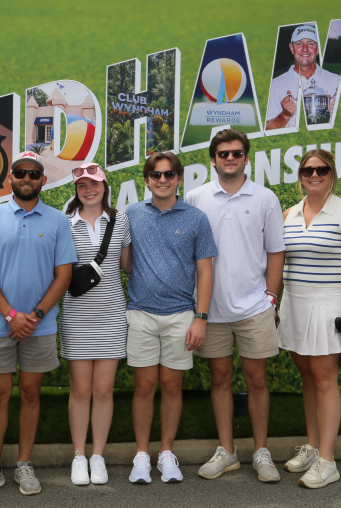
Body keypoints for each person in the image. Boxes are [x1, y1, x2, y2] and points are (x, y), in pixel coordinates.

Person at [0, 151, 77, 500]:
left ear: (43, 180)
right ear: (10, 178)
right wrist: (11, 316)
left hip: (39, 327)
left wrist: (36, 316)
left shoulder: (58, 220)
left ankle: (24, 464)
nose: (27, 179)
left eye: (33, 174)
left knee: (30, 393)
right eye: (20, 173)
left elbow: (64, 275)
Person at [185, 129, 286, 483]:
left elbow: (276, 252)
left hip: (255, 308)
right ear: (212, 159)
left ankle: (261, 452)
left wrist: (271, 298)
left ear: (246, 158)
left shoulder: (265, 198)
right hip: (210, 311)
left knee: (257, 380)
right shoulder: (196, 197)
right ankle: (227, 451)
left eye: (237, 153)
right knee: (220, 379)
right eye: (224, 153)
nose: (230, 158)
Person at [125, 151, 218, 485]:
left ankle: (166, 453)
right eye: (155, 174)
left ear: (179, 178)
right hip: (141, 313)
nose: (162, 180)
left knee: (171, 386)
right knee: (144, 386)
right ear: (146, 180)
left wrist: (201, 317)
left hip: (181, 315)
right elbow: (125, 263)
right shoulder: (132, 214)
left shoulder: (196, 219)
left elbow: (205, 272)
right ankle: (141, 455)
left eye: (168, 174)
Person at [277, 149, 341, 489]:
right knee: (308, 376)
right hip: (294, 304)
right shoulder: (289, 213)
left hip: (329, 305)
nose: (314, 175)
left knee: (325, 378)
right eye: (307, 170)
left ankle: (328, 461)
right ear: (300, 176)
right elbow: (280, 263)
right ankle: (313, 447)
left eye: (321, 170)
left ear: (332, 174)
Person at [59, 163, 132, 486]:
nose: (89, 190)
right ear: (76, 190)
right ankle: (79, 456)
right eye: (82, 186)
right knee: (81, 390)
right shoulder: (65, 222)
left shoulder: (120, 221)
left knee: (103, 390)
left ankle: (97, 455)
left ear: (105, 186)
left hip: (112, 314)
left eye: (94, 184)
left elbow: (127, 265)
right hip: (77, 315)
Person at [266, 25, 341, 130]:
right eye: (299, 43)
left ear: (318, 49)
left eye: (311, 43)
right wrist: (285, 115)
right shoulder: (274, 85)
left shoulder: (337, 81)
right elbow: (267, 131)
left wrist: (340, 113)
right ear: (292, 48)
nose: (305, 49)